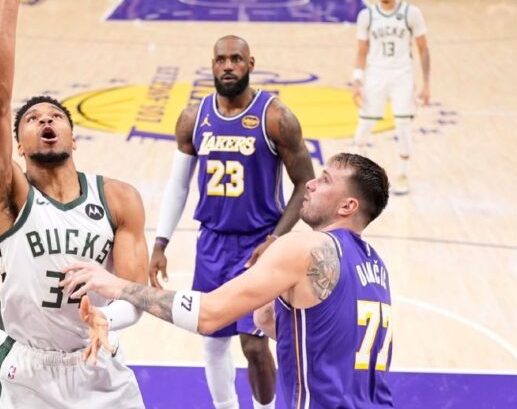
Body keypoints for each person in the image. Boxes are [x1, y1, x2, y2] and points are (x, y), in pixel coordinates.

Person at [0, 0, 148, 408]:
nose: (45, 121)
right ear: (19, 146)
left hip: (100, 363)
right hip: (28, 371)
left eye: (55, 116)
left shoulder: (118, 197)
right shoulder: (8, 195)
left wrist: (108, 318)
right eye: (32, 120)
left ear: (74, 134)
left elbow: (137, 293)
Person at [62, 153, 395, 409]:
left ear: (348, 205)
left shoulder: (306, 247)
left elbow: (208, 315)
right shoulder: (375, 266)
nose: (309, 183)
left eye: (324, 181)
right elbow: (290, 327)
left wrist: (119, 286)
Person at [149, 35, 314, 409]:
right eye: (220, 59)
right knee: (212, 336)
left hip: (258, 244)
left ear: (251, 64)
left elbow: (305, 183)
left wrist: (276, 238)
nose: (227, 66)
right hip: (211, 243)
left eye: (236, 59)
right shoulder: (194, 117)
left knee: (255, 343)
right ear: (211, 65)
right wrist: (161, 242)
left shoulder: (276, 117)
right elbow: (178, 184)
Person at [352, 0, 430, 194]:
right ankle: (357, 176)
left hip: (402, 75)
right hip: (375, 74)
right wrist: (357, 80)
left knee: (403, 124)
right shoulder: (366, 16)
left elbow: (423, 49)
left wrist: (426, 84)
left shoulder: (411, 13)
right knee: (365, 124)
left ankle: (403, 173)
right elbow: (361, 51)